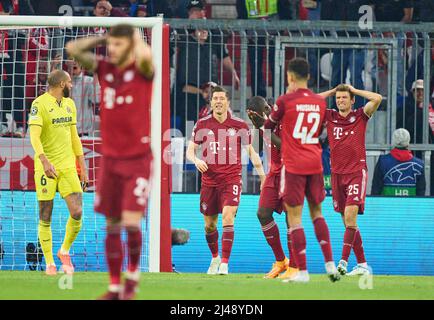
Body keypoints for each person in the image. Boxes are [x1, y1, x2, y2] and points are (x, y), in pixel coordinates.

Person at [66, 23, 154, 300]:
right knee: (112, 224)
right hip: (111, 160)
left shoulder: (142, 71)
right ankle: (115, 287)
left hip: (137, 160)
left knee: (130, 222)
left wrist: (133, 39)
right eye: (110, 45)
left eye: (118, 44)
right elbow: (73, 49)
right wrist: (104, 37)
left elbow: (146, 56)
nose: (112, 49)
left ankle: (132, 280)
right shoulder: (105, 69)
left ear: (130, 45)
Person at [264, 58, 340, 283]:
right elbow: (321, 132)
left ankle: (303, 271)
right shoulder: (319, 102)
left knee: (295, 219)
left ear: (290, 76)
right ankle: (330, 265)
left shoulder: (285, 100)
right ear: (309, 76)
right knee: (317, 213)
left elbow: (268, 128)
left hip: (294, 164)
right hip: (315, 163)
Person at [186, 86, 266, 276]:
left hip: (231, 180)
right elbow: (189, 151)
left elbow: (252, 152)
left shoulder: (239, 125)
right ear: (211, 102)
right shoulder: (202, 124)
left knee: (228, 217)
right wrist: (196, 160)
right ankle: (215, 257)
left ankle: (224, 263)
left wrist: (263, 176)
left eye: (222, 98)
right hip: (209, 182)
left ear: (228, 102)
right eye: (216, 99)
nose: (219, 102)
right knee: (209, 225)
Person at [28, 69, 88, 276]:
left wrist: (83, 165)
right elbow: (34, 137)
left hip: (68, 166)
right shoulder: (39, 104)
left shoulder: (70, 105)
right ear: (61, 84)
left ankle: (64, 251)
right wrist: (44, 160)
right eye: (69, 82)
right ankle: (50, 263)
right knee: (45, 215)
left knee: (77, 212)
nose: (72, 85)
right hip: (46, 168)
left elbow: (74, 137)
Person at [319, 84, 382, 276]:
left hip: (356, 172)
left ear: (352, 100)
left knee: (350, 217)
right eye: (338, 98)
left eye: (344, 97)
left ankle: (343, 262)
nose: (340, 101)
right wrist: (331, 91)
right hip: (337, 175)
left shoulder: (360, 116)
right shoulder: (329, 116)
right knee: (348, 223)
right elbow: (307, 103)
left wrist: (355, 90)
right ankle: (362, 264)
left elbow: (377, 98)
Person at [246, 96, 298, 279]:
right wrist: (255, 127)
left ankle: (294, 266)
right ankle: (281, 261)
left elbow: (287, 147)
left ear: (269, 109)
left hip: (291, 171)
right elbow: (257, 148)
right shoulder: (262, 126)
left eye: (266, 110)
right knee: (263, 213)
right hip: (274, 173)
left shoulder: (286, 119)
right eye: (259, 115)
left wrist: (263, 127)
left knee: (291, 218)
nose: (267, 114)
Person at [173, 0, 240, 135]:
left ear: (204, 12)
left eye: (198, 11)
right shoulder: (183, 35)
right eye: (192, 12)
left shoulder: (214, 35)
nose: (195, 14)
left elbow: (224, 56)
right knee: (190, 129)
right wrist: (191, 27)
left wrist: (233, 73)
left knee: (212, 130)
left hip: (209, 92)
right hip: (189, 93)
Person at [372, 128, 425, 196]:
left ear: (393, 142)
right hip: (410, 206)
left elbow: (376, 189)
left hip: (386, 205)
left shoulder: (382, 161)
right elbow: (421, 193)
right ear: (408, 142)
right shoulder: (419, 165)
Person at [67, 60, 101, 136]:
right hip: (66, 131)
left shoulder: (89, 81)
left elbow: (97, 99)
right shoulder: (63, 82)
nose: (74, 63)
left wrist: (96, 74)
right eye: (71, 60)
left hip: (84, 132)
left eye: (76, 60)